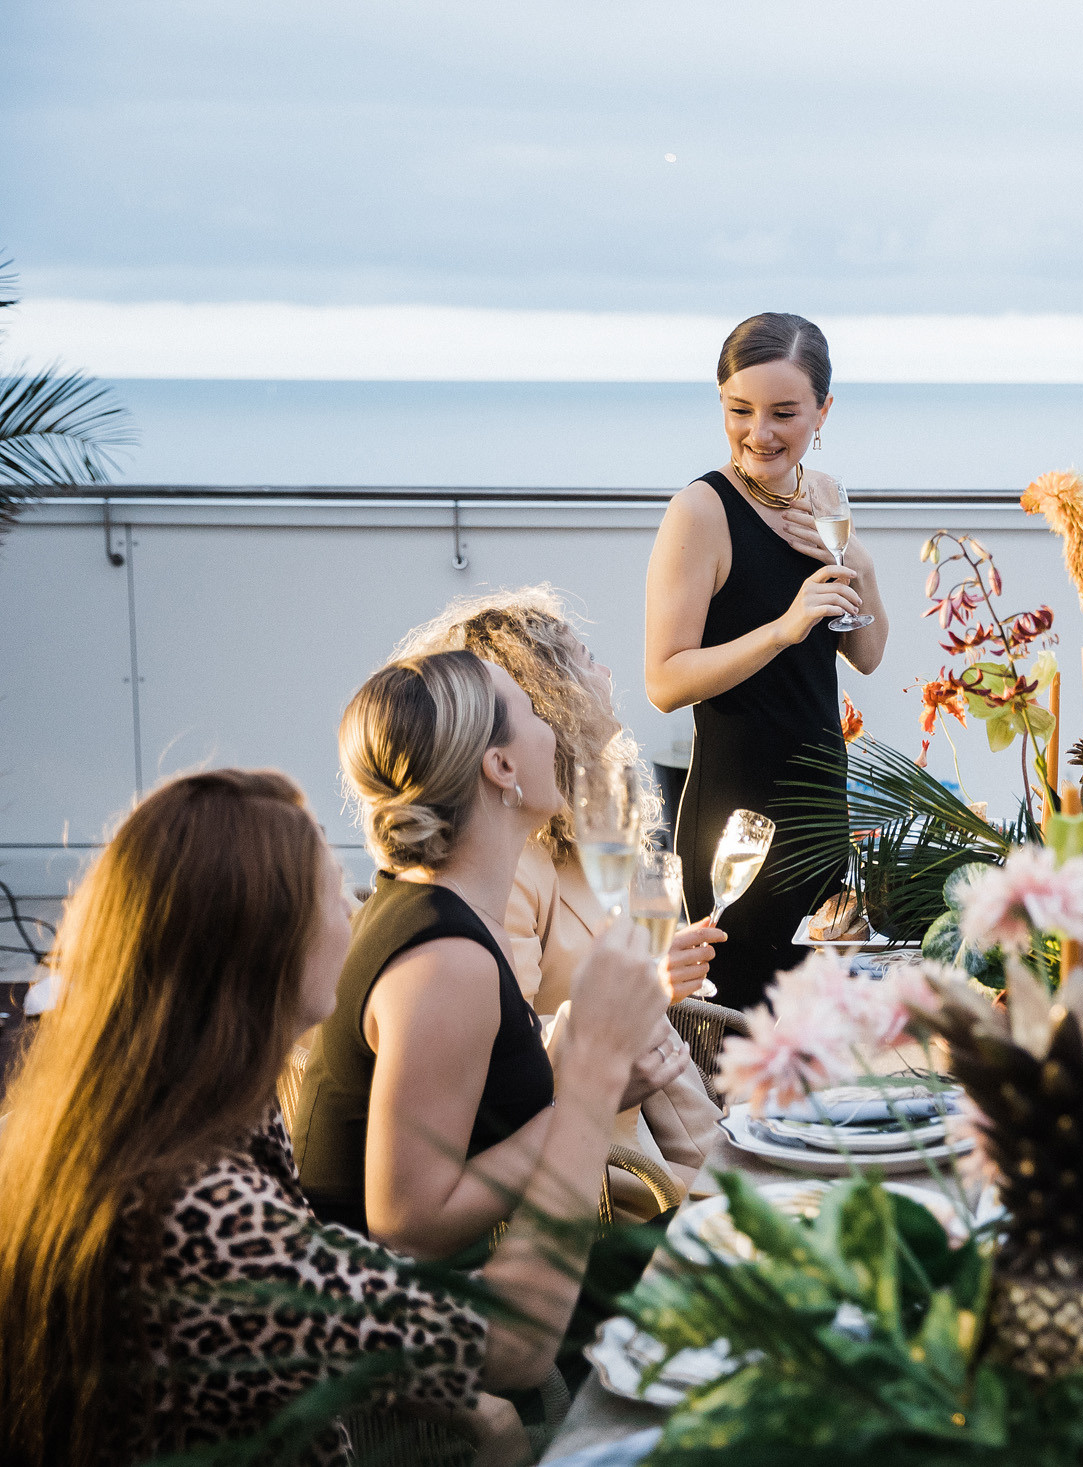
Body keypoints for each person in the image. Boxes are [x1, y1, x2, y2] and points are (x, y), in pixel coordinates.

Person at [0, 769, 666, 1466]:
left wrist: (473, 1407)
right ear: (267, 949)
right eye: (331, 892)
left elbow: (315, 1318)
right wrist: (590, 1080)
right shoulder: (200, 1209)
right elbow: (510, 1343)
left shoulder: (161, 1111)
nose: (353, 910)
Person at [293, 649, 691, 1255]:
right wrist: (594, 1091)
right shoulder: (446, 959)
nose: (553, 728)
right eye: (533, 711)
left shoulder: (442, 909)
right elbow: (407, 1224)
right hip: (410, 1320)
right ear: (501, 766)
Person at [392, 587, 730, 1219]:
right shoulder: (501, 859)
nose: (606, 673)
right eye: (586, 658)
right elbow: (503, 1052)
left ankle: (738, 1166)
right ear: (549, 697)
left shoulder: (586, 829)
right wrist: (638, 996)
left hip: (639, 1132)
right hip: (592, 1167)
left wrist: (655, 985)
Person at [645, 312, 890, 1009]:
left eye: (785, 412)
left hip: (819, 816)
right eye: (740, 410)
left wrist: (857, 560)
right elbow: (664, 680)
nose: (760, 433)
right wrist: (784, 629)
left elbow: (867, 652)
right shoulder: (700, 512)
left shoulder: (826, 498)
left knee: (812, 1043)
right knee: (731, 1036)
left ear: (823, 411)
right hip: (736, 830)